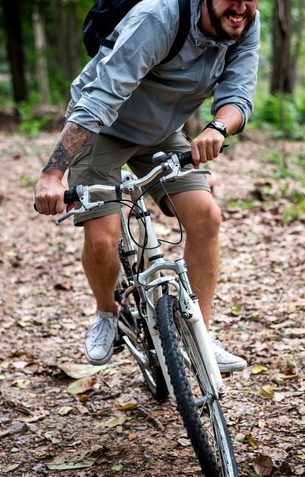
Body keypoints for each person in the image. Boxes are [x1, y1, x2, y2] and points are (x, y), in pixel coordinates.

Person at [34, 0, 259, 373]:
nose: (241, 5)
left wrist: (218, 127)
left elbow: (239, 93)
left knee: (206, 217)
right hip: (102, 130)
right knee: (103, 236)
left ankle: (199, 337)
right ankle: (108, 315)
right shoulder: (159, 17)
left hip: (160, 133)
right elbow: (100, 98)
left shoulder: (244, 20)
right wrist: (53, 174)